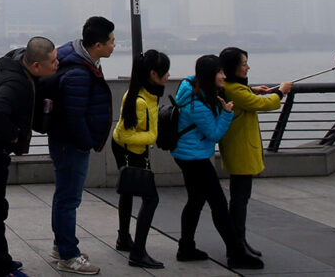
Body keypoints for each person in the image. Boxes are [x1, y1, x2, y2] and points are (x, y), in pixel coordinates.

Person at [0, 37, 59, 277]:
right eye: (54, 61)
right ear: (36, 66)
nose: (58, 64)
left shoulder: (15, 63)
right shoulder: (16, 82)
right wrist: (13, 135)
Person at [171, 55, 264, 270]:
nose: (224, 76)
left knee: (195, 202)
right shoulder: (197, 104)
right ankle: (235, 253)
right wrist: (227, 113)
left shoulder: (194, 88)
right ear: (208, 76)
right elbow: (214, 134)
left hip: (188, 154)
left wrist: (252, 91)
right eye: (220, 73)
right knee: (219, 204)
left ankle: (186, 248)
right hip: (194, 158)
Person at [40, 16, 116, 275]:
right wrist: (86, 142)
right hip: (71, 144)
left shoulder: (81, 62)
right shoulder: (79, 72)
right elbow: (73, 116)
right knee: (68, 199)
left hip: (64, 141)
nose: (114, 45)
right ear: (97, 45)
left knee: (64, 196)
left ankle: (61, 246)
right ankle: (68, 255)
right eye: (111, 41)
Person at [219, 46, 293, 258]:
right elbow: (262, 104)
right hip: (240, 152)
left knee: (241, 198)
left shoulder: (232, 87)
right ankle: (237, 244)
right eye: (243, 63)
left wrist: (254, 90)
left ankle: (240, 241)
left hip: (239, 152)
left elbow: (247, 96)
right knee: (240, 200)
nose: (247, 67)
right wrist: (281, 91)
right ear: (233, 67)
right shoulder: (234, 90)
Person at [110, 49, 170, 269]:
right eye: (165, 72)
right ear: (154, 74)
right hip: (129, 149)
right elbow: (127, 134)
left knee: (128, 190)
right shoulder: (138, 100)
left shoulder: (149, 93)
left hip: (128, 148)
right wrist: (152, 136)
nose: (168, 76)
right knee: (151, 198)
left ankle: (124, 238)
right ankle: (138, 252)